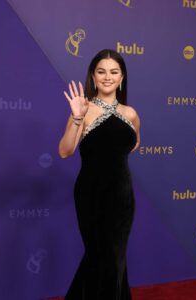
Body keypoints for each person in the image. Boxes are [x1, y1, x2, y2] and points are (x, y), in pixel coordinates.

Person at [58, 49, 141, 299]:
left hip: (122, 196)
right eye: (101, 72)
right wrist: (77, 118)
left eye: (114, 72)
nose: (107, 77)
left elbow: (133, 143)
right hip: (91, 194)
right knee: (100, 255)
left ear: (122, 77)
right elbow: (65, 151)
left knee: (116, 257)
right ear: (93, 77)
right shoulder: (84, 109)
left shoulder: (131, 114)